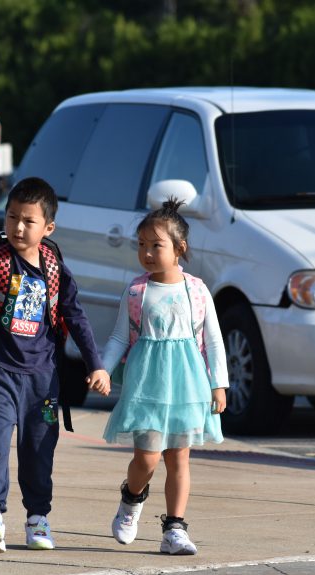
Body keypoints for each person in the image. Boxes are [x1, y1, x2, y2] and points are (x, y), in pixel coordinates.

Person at [0, 176, 111, 556]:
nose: (18, 227)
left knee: (39, 451)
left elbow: (77, 318)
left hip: (43, 380)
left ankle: (37, 518)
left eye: (28, 220)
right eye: (12, 218)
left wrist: (96, 365)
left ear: (48, 227)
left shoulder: (55, 269)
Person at [101, 198, 228, 555]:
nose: (147, 253)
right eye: (141, 245)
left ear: (179, 249)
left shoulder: (198, 290)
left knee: (179, 458)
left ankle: (174, 528)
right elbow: (118, 337)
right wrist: (103, 369)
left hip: (188, 385)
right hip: (148, 385)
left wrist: (219, 384)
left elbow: (213, 340)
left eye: (156, 245)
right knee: (148, 458)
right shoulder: (137, 290)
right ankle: (131, 498)